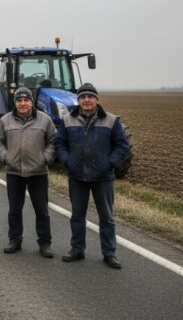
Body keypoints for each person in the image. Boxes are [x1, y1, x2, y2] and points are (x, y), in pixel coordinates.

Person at [56, 83, 130, 269]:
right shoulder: (67, 120)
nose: (86, 100)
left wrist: (109, 163)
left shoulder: (111, 121)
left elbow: (122, 146)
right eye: (82, 97)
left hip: (103, 178)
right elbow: (59, 144)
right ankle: (77, 249)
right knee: (77, 216)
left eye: (90, 96)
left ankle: (109, 253)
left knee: (106, 217)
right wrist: (68, 161)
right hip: (77, 176)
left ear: (96, 99)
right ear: (78, 100)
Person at [0, 87, 57, 257]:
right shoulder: (5, 120)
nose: (22, 104)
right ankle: (15, 240)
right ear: (15, 103)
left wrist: (45, 158)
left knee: (41, 210)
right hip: (14, 172)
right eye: (19, 100)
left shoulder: (45, 120)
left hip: (38, 173)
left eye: (26, 100)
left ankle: (45, 243)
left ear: (31, 102)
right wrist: (6, 157)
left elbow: (53, 141)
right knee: (14, 209)